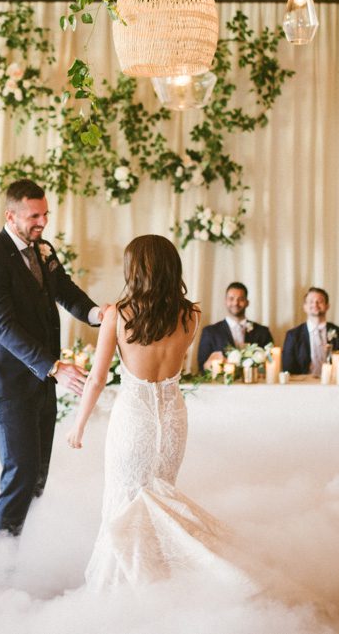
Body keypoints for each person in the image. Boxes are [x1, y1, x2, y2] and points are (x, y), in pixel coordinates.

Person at [67, 235, 250, 590]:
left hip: (133, 420)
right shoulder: (192, 315)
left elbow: (97, 379)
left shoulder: (119, 314)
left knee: (123, 505)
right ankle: (162, 585)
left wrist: (78, 427)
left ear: (135, 269)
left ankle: (125, 590)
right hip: (173, 420)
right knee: (161, 503)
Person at [0, 179, 104, 537]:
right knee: (20, 473)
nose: (42, 222)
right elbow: (4, 328)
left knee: (39, 476)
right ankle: (0, 564)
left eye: (45, 214)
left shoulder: (42, 249)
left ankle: (27, 550)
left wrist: (96, 315)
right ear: (10, 216)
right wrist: (54, 367)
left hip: (42, 382)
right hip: (8, 385)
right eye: (34, 216)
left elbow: (66, 292)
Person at [196, 282, 275, 370]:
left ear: (247, 302)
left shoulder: (262, 332)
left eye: (240, 299)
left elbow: (271, 363)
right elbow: (202, 366)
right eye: (231, 298)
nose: (235, 303)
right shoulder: (210, 332)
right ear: (225, 301)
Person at [280, 286, 339, 376]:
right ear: (305, 307)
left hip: (334, 385)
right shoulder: (293, 335)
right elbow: (287, 369)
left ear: (327, 306)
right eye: (311, 302)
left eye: (320, 301)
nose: (315, 304)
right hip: (303, 386)